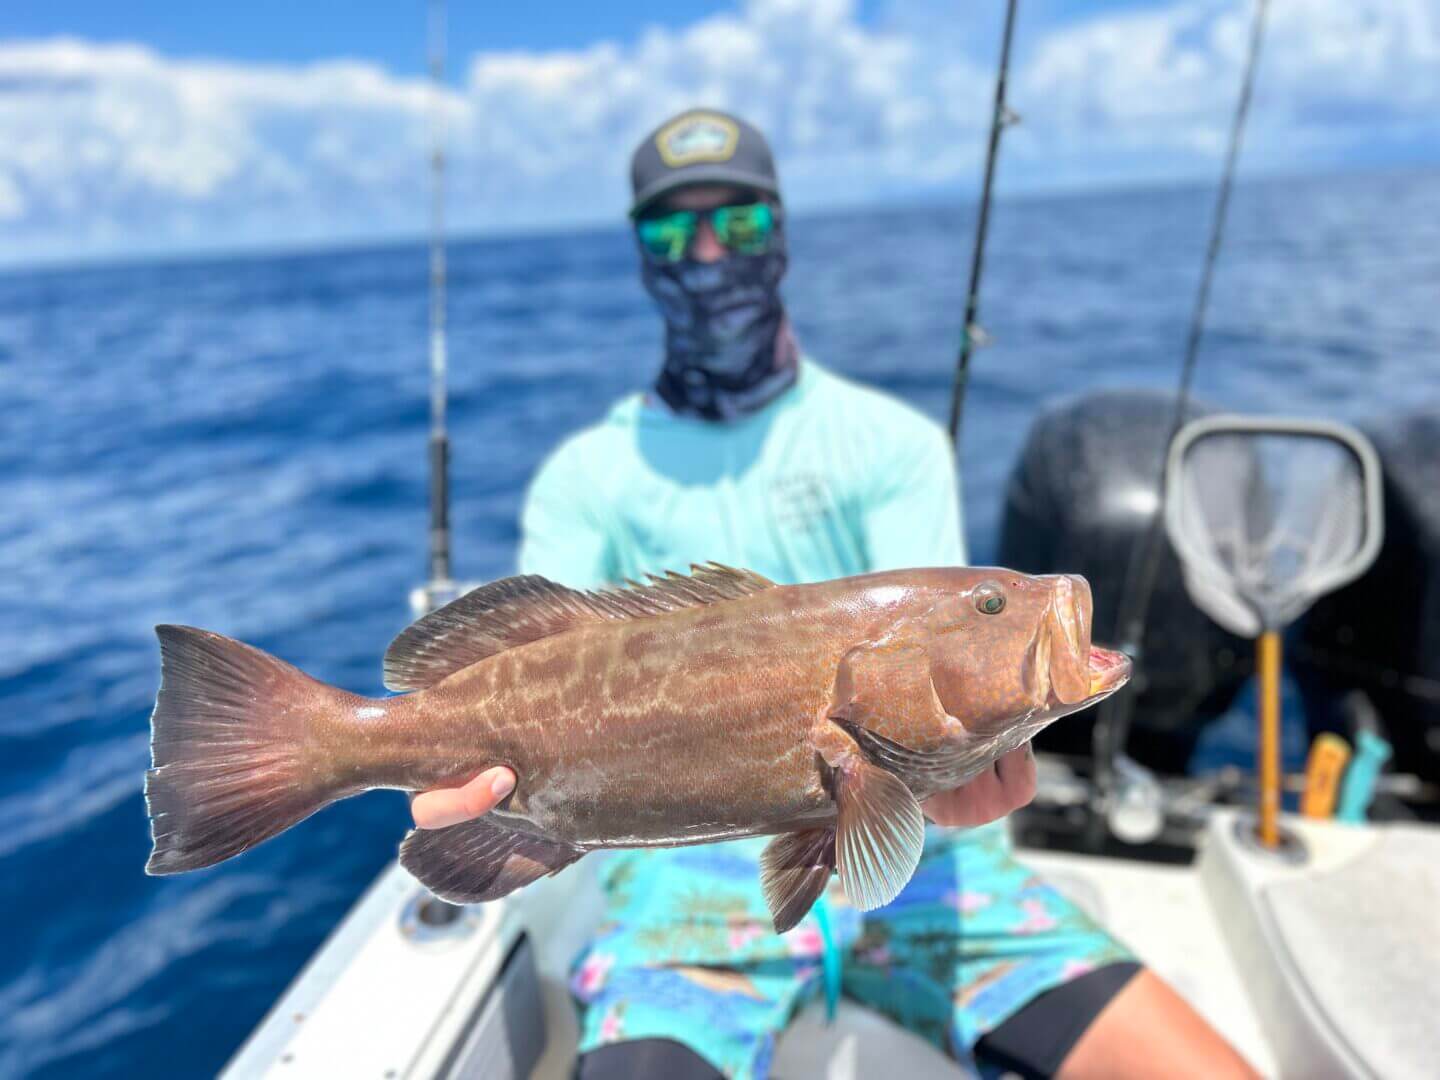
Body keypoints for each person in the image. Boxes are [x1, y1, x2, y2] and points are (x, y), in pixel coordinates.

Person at [412, 110, 1256, 1079]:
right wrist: (473, 766)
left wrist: (972, 760)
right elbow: (530, 666)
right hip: (680, 879)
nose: (705, 254)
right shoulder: (584, 476)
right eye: (669, 231)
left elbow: (926, 690)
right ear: (640, 255)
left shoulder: (892, 443)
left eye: (737, 224)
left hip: (935, 867)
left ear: (779, 230)